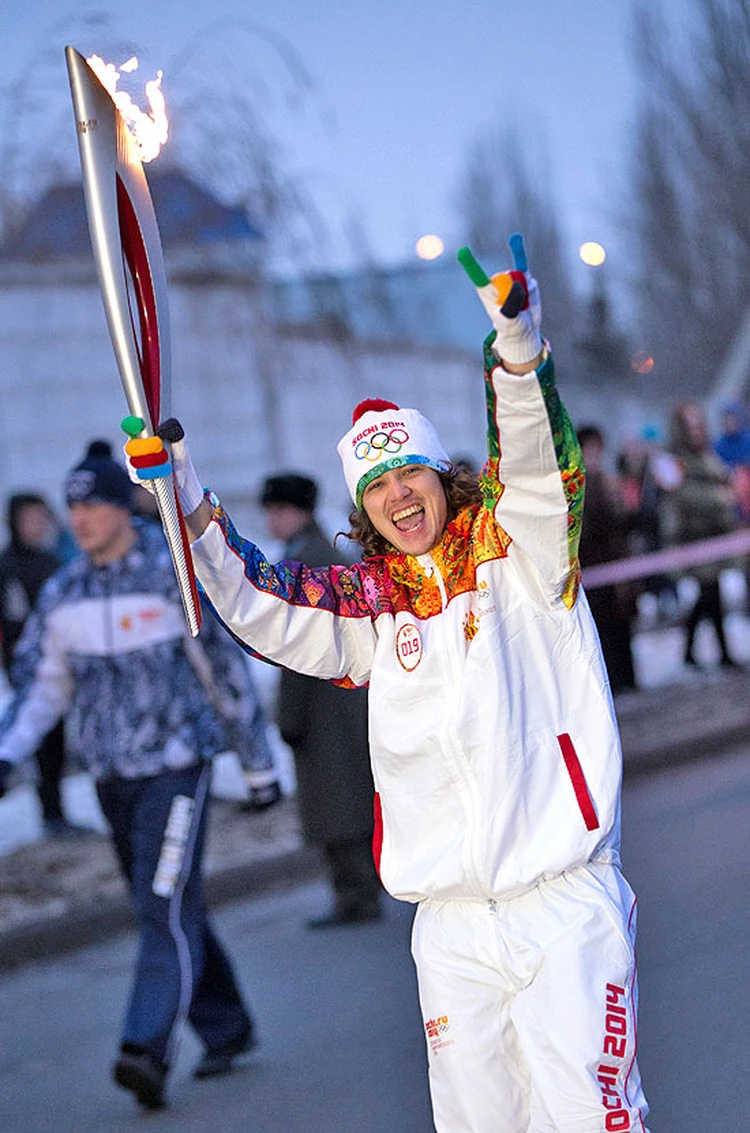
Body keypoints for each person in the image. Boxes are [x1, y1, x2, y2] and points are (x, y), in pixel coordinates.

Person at [125, 236, 650, 1132]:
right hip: (448, 926)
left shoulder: (524, 554)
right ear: (362, 509)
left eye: (410, 472)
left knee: (589, 1117)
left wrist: (516, 353)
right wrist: (183, 490)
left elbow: (535, 464)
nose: (399, 497)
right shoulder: (371, 611)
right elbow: (260, 600)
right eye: (376, 488)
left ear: (440, 474)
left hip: (559, 900)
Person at [0, 443, 281, 1110]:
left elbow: (223, 669)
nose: (83, 516)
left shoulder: (168, 573)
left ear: (121, 504)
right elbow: (41, 686)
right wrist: (9, 752)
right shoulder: (64, 591)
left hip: (177, 765)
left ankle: (143, 1049)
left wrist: (258, 762)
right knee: (168, 904)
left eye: (94, 501)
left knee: (163, 902)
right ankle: (227, 1023)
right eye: (73, 505)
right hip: (111, 777)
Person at [259, 472, 381, 927]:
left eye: (277, 510)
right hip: (340, 699)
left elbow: (298, 649)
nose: (271, 519)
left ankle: (355, 894)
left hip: (322, 703)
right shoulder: (320, 553)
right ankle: (360, 889)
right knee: (347, 795)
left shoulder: (306, 562)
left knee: (337, 802)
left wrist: (288, 715)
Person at [0, 491, 88, 837]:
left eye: (41, 516)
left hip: (62, 665)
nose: (38, 524)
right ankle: (51, 815)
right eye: (31, 518)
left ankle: (58, 813)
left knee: (58, 739)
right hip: (29, 670)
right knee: (40, 740)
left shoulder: (52, 562)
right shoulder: (8, 568)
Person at [665, 399, 740, 669]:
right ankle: (718, 653)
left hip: (715, 536)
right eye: (691, 425)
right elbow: (678, 496)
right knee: (709, 593)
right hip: (692, 538)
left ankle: (697, 652)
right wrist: (718, 499)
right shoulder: (673, 461)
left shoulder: (708, 455)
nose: (696, 430)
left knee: (710, 593)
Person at [576, 425, 638, 694]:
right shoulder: (580, 486)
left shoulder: (609, 481)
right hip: (595, 568)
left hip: (618, 565)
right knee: (604, 630)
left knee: (622, 625)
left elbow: (626, 521)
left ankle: (628, 678)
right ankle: (614, 682)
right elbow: (592, 527)